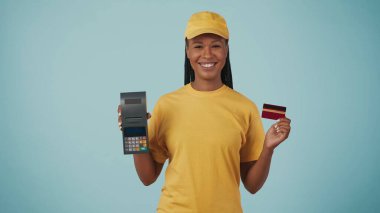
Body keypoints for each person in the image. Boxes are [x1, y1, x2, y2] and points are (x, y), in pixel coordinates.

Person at [117, 11, 291, 213]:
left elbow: (252, 186)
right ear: (187, 51)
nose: (207, 54)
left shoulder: (245, 108)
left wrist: (268, 149)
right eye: (198, 46)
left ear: (226, 49)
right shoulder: (166, 105)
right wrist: (134, 132)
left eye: (216, 45)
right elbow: (147, 178)